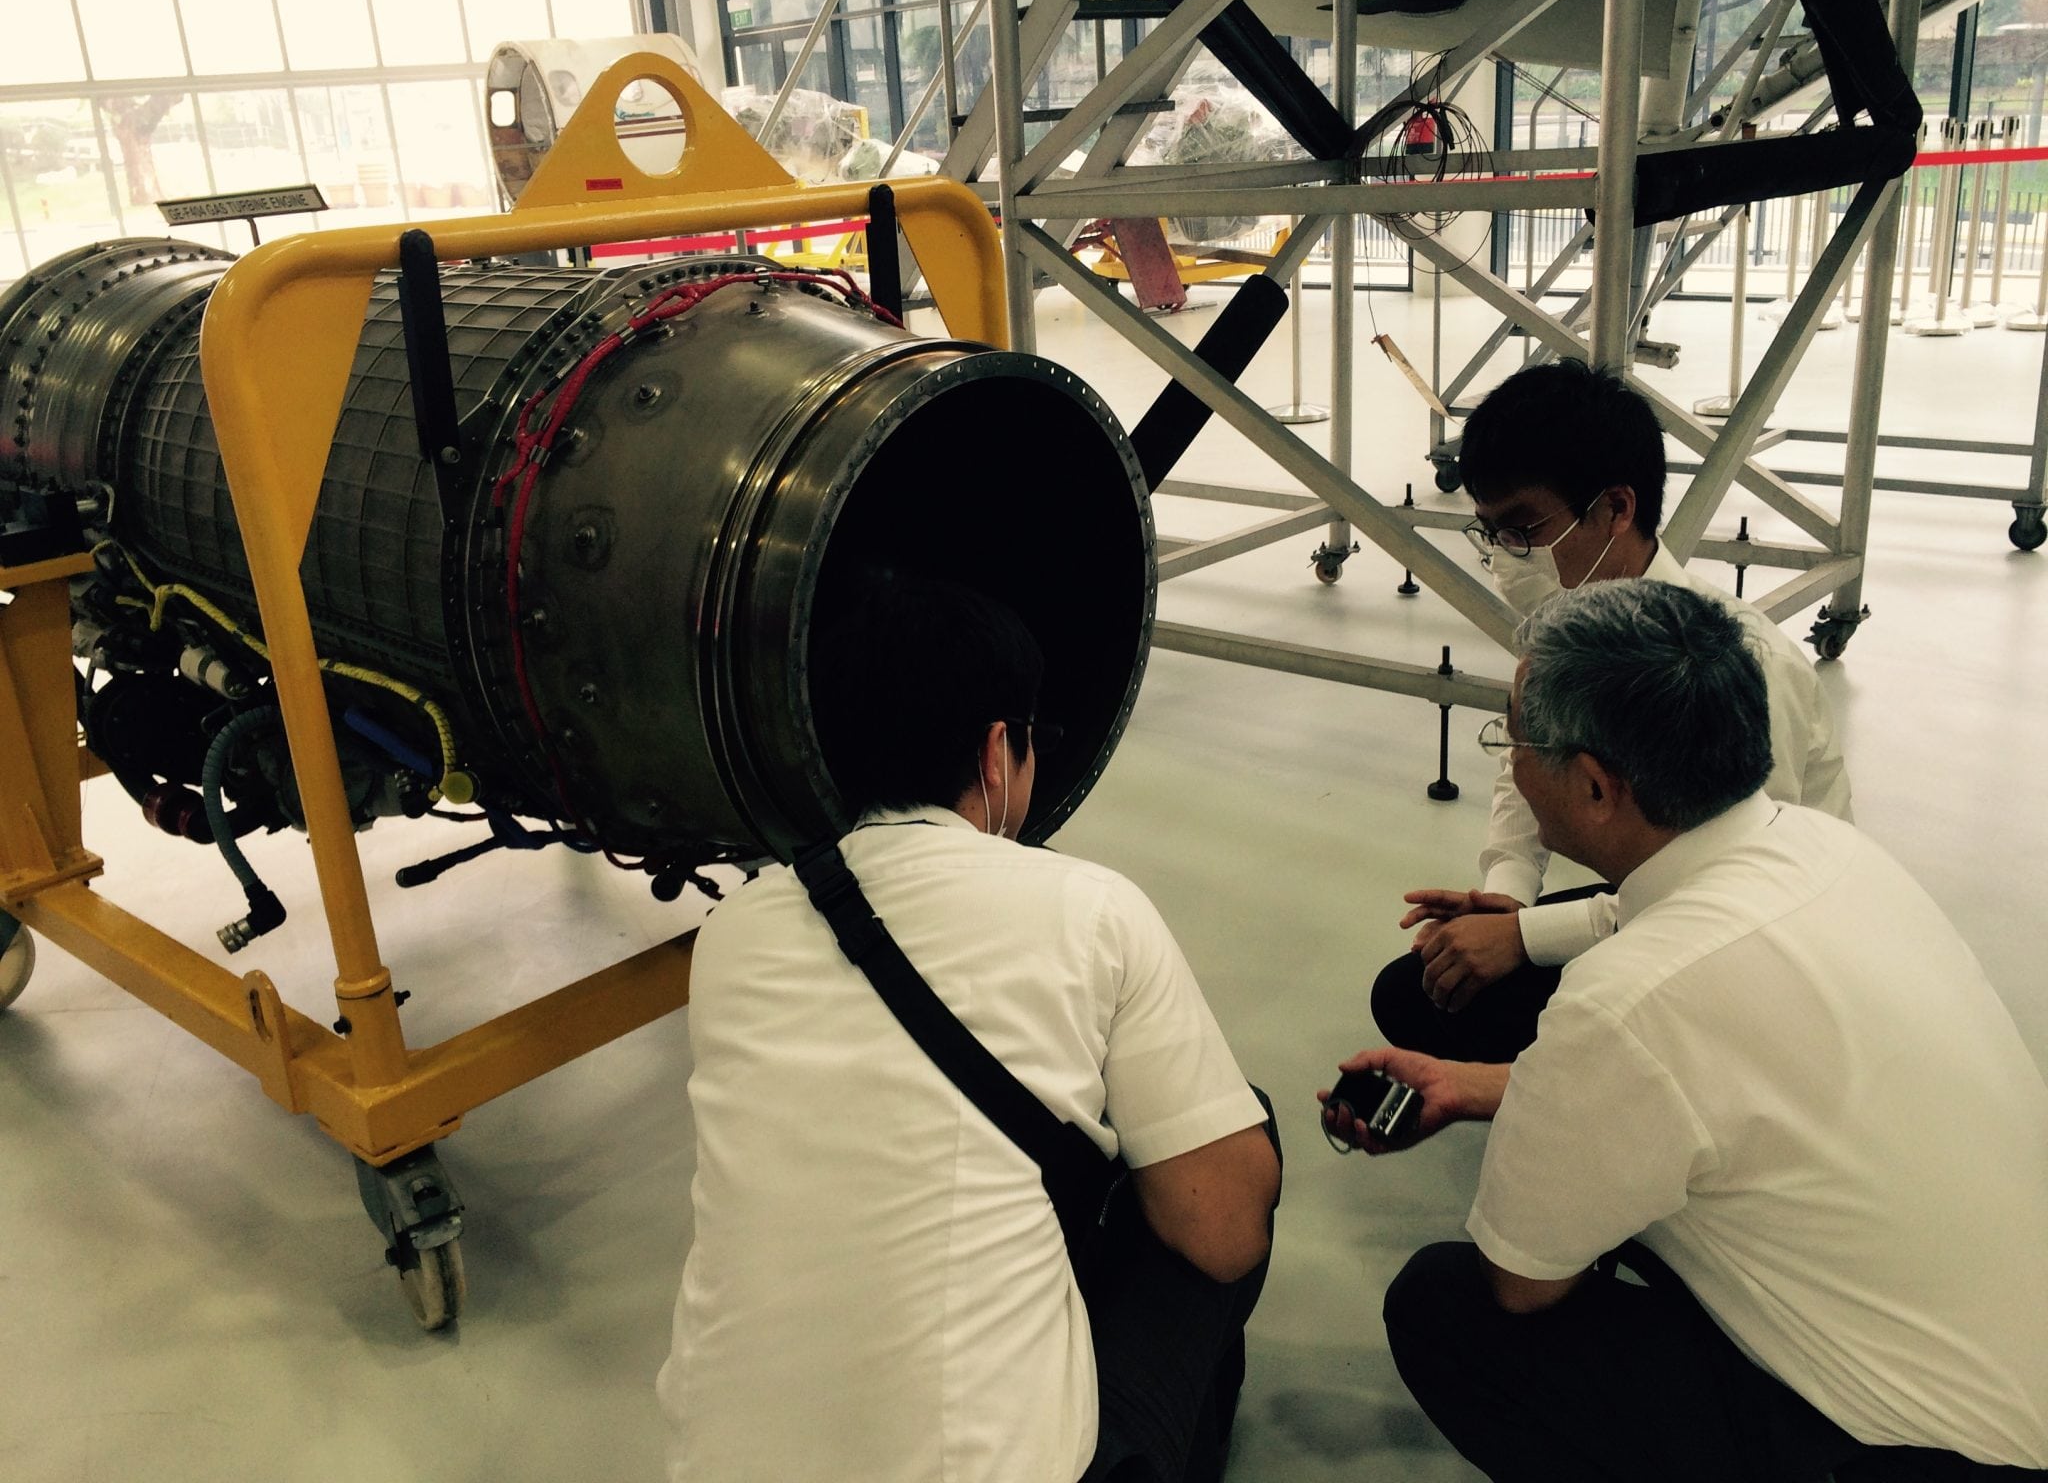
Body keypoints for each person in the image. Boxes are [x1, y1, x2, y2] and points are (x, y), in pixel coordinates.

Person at [1326, 579, 2048, 1481]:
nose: (1509, 760)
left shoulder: (1625, 1000)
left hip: (1914, 1459)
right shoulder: (1827, 852)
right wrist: (1473, 1087)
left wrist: (1547, 1134)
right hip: (2014, 1375)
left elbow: (1523, 1282)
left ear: (1594, 786)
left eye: (1515, 739)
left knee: (1449, 1310)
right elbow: (1728, 1085)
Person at [658, 575, 1281, 1483]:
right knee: (1227, 1149)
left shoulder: (734, 931)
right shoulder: (1089, 908)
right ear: (999, 753)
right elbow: (1225, 1233)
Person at [1374, 358, 1852, 1063]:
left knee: (1577, 1024)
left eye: (1525, 528)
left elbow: (1736, 884)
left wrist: (1529, 939)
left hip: (1767, 933)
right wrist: (1508, 895)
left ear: (1616, 508)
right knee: (1419, 992)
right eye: (1492, 533)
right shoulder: (1569, 618)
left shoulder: (1736, 660)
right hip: (1672, 884)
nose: (1508, 556)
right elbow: (1526, 764)